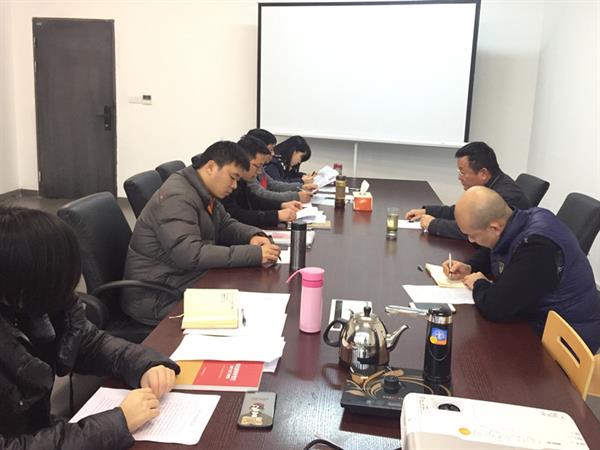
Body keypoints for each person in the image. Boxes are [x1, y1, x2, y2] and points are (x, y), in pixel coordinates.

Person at [0, 206, 180, 449]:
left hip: (41, 430)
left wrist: (145, 364)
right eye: (57, 282)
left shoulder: (40, 303)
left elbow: (89, 343)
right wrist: (117, 423)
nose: (68, 291)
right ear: (23, 282)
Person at [122, 141, 281, 325]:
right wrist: (254, 254)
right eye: (232, 177)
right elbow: (190, 254)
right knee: (245, 315)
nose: (235, 185)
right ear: (211, 167)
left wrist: (253, 236)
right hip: (157, 296)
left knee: (248, 292)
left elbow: (225, 224)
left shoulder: (201, 189)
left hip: (181, 279)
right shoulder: (177, 197)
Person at [442, 186, 600, 352]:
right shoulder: (520, 220)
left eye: (472, 235)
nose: (470, 240)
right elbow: (498, 248)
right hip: (539, 319)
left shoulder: (537, 248)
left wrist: (478, 283)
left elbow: (495, 307)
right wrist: (470, 266)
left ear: (494, 228)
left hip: (567, 342)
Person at [405, 142, 530, 240]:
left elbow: (475, 230)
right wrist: (427, 211)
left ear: (483, 173)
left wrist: (433, 224)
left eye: (462, 172)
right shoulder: (489, 186)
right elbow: (463, 213)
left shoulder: (504, 196)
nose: (459, 178)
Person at [221, 135, 302, 227]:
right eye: (258, 166)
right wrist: (276, 215)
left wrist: (281, 205)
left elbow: (254, 200)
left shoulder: (242, 181)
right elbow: (235, 214)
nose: (259, 172)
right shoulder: (226, 185)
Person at [246, 129, 315, 203]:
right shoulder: (253, 167)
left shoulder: (260, 166)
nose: (273, 153)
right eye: (270, 149)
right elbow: (261, 194)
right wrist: (296, 196)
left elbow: (273, 184)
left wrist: (301, 186)